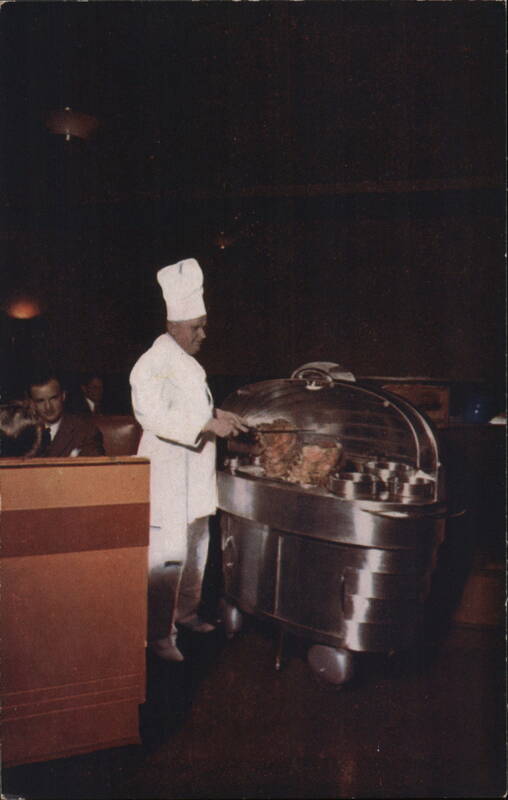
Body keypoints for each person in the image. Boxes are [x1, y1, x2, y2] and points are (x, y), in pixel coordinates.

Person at [130, 257, 248, 662]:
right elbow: (152, 414)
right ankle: (158, 635)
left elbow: (190, 411)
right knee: (168, 556)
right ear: (173, 327)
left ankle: (186, 613)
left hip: (194, 475)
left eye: (203, 324)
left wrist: (217, 417)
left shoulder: (188, 363)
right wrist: (205, 423)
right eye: (196, 326)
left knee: (197, 548)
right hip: (167, 477)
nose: (203, 333)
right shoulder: (151, 364)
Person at [28, 372, 105, 457]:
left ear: (63, 396)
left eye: (53, 398)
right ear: (32, 404)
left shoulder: (86, 431)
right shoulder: (22, 433)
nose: (48, 407)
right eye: (40, 401)